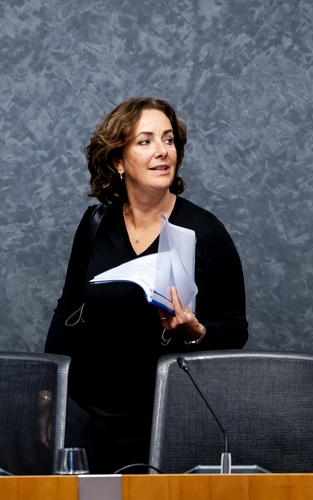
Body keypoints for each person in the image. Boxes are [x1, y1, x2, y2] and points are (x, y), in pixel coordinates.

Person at [44, 97, 248, 473]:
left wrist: (197, 331)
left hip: (181, 420)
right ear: (118, 161)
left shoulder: (205, 231)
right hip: (107, 422)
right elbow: (69, 306)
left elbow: (236, 328)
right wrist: (49, 393)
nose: (162, 151)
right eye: (146, 141)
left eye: (168, 140)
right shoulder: (95, 225)